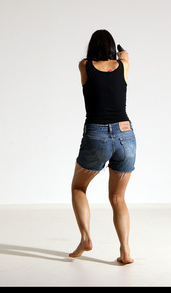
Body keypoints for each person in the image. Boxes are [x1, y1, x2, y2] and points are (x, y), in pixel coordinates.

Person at [69, 29, 136, 264]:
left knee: (78, 188)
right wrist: (123, 56)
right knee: (118, 197)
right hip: (125, 134)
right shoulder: (124, 66)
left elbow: (91, 66)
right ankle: (125, 252)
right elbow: (124, 59)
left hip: (97, 134)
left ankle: (86, 237)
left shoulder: (84, 66)